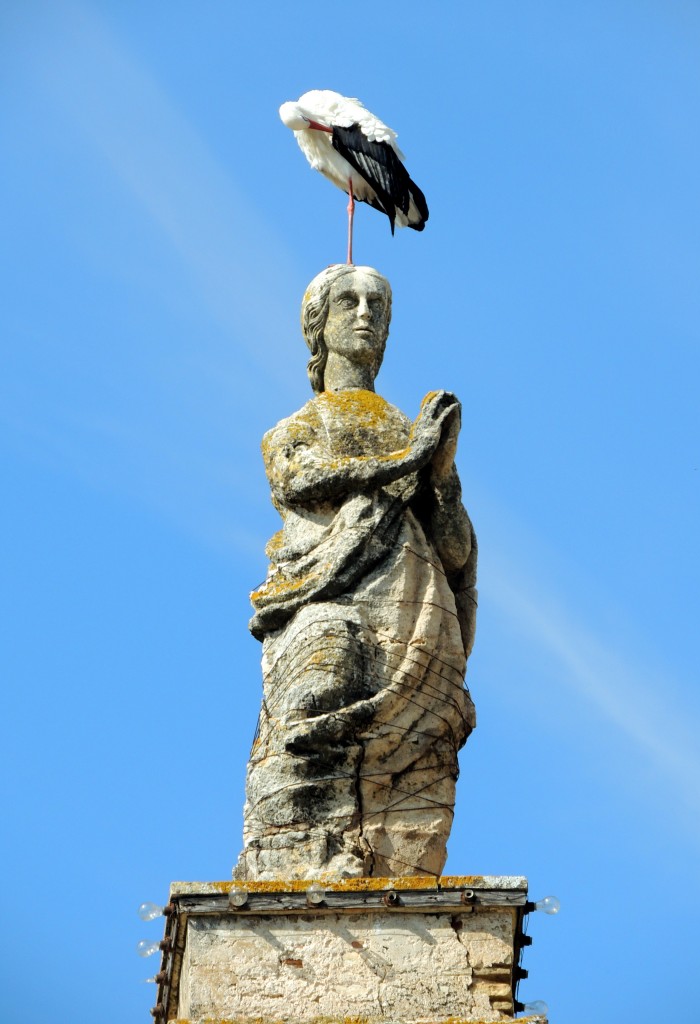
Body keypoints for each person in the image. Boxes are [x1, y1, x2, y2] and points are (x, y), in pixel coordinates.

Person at [236, 264, 477, 880]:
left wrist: (442, 476)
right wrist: (408, 458)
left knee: (420, 751)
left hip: (415, 606)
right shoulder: (294, 428)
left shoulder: (407, 428)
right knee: (313, 706)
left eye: (378, 304)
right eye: (349, 301)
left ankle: (392, 871)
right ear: (318, 325)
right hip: (325, 597)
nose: (367, 313)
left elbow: (453, 553)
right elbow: (300, 479)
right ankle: (295, 861)